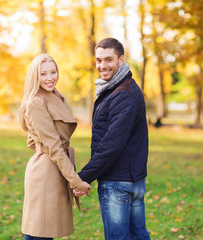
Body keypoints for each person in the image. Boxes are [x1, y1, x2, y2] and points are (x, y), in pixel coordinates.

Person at [75, 38, 151, 240]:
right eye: (98, 60)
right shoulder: (120, 88)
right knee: (139, 236)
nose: (102, 65)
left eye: (108, 59)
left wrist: (82, 178)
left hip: (119, 182)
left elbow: (111, 145)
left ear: (121, 59)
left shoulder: (122, 93)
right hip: (132, 178)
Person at [19, 53, 92, 240]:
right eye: (43, 74)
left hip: (53, 168)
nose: (50, 77)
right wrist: (75, 181)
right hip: (46, 172)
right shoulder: (36, 102)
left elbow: (32, 141)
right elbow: (54, 147)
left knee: (42, 231)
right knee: (40, 232)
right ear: (35, 76)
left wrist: (42, 145)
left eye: (53, 72)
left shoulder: (56, 96)